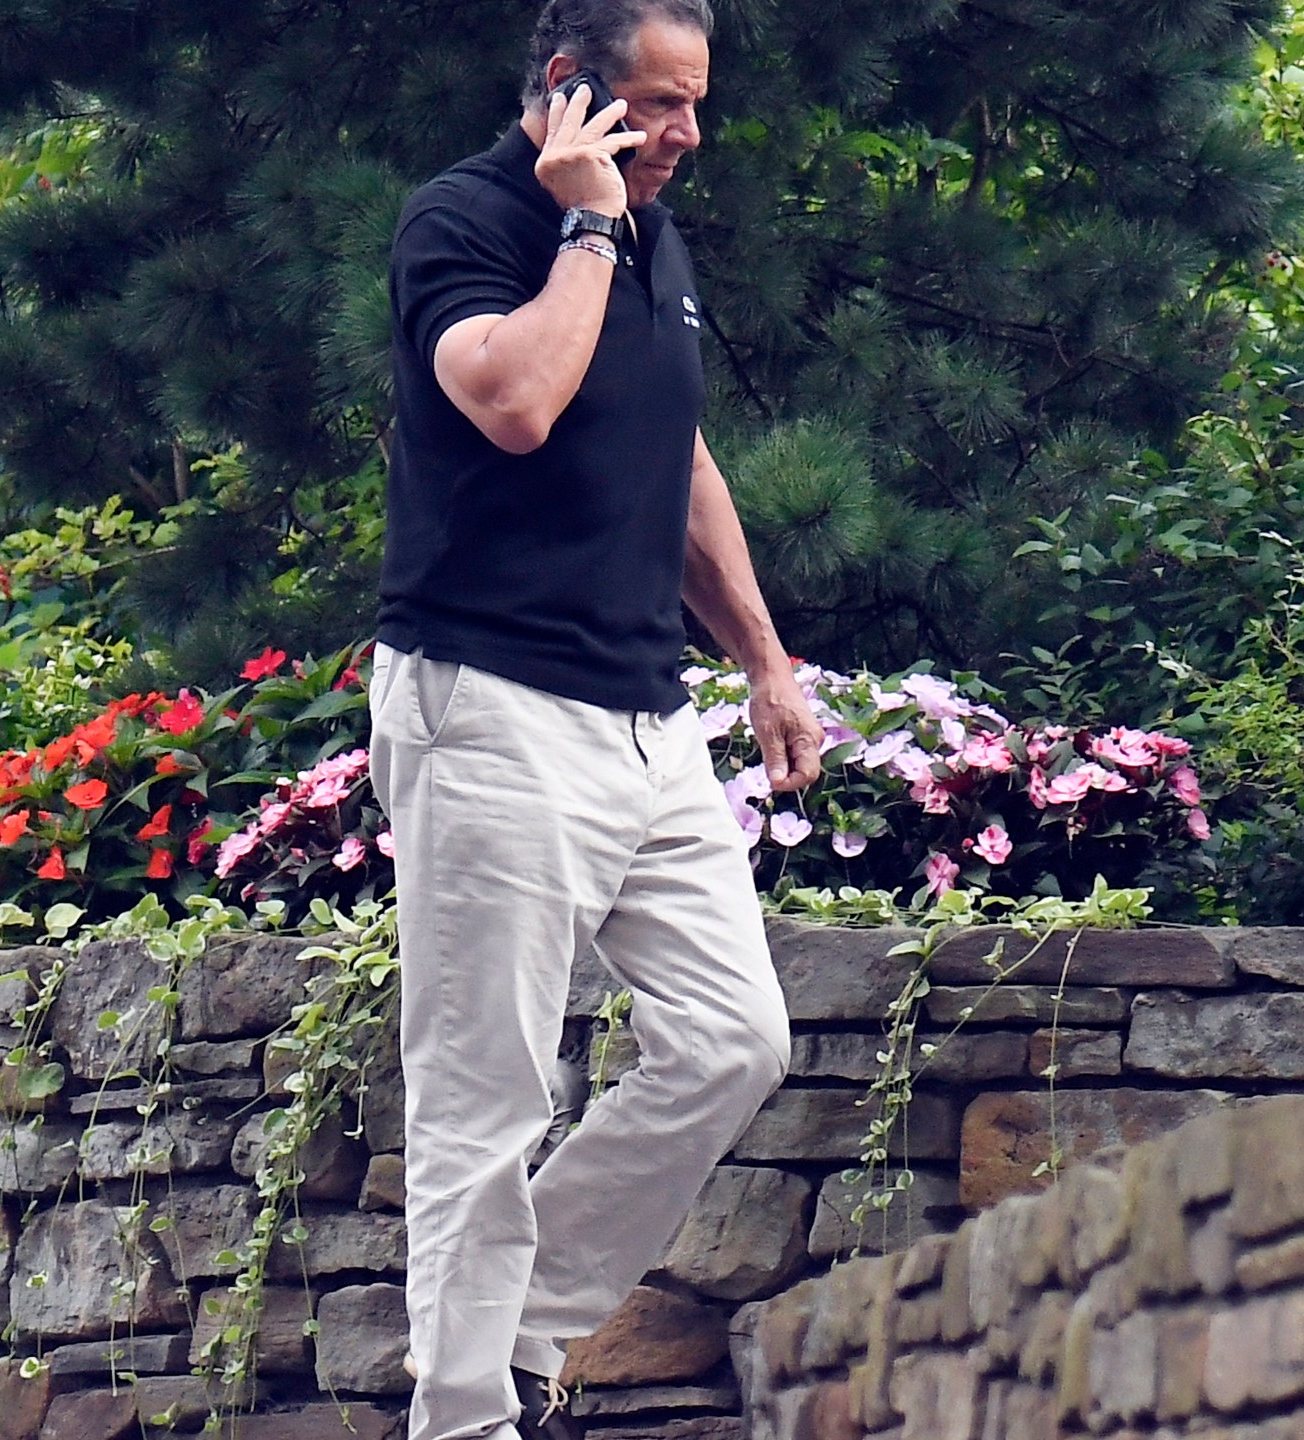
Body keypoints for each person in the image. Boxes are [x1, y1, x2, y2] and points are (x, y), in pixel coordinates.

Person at [369, 0, 822, 1435]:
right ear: (571, 88)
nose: (689, 132)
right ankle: (463, 1417)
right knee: (484, 1103)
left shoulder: (649, 229)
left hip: (644, 718)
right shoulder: (467, 219)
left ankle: (520, 1329)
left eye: (695, 104)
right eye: (662, 104)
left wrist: (761, 655)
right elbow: (513, 399)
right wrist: (581, 226)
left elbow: (667, 443)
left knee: (734, 1040)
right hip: (490, 705)